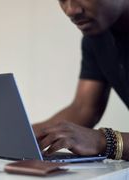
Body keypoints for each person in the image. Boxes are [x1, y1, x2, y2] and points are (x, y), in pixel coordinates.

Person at [32, 0, 129, 161]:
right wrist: (19, 135)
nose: (70, 10)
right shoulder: (96, 38)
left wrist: (104, 141)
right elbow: (83, 109)